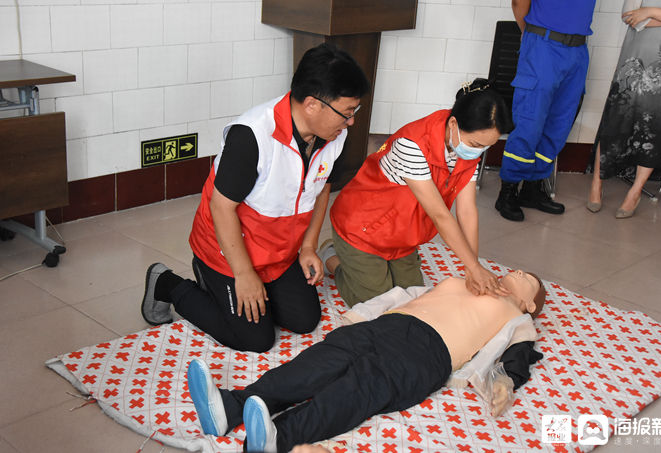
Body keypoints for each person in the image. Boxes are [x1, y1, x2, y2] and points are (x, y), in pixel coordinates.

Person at [139, 43, 369, 352]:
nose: (351, 121)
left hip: (278, 251)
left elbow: (323, 185)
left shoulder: (334, 135)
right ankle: (169, 283)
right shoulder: (252, 135)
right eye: (347, 112)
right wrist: (244, 275)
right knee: (256, 339)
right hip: (227, 252)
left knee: (304, 320)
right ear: (313, 104)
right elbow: (220, 208)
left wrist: (309, 246)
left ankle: (241, 293)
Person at [186, 269, 546, 452]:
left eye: (526, 279)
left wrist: (505, 381)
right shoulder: (467, 279)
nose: (515, 273)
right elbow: (403, 295)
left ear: (529, 303)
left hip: (428, 354)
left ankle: (279, 437)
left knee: (359, 388)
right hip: (387, 325)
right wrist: (360, 316)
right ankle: (231, 406)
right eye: (516, 269)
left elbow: (519, 354)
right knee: (318, 363)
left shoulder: (517, 317)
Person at [323, 79, 513, 307]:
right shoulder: (412, 144)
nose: (478, 152)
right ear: (453, 124)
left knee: (414, 299)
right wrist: (473, 267)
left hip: (402, 235)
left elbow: (467, 210)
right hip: (362, 228)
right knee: (380, 304)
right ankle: (332, 258)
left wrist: (472, 266)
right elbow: (441, 215)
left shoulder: (468, 144)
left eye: (486, 146)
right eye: (475, 144)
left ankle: (363, 264)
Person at [587, 1, 661, 219]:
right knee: (617, 115)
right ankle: (596, 183)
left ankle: (635, 191)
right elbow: (629, 15)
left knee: (657, 124)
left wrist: (649, 12)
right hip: (639, 52)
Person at [495, 0, 597, 222]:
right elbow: (518, 3)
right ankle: (508, 191)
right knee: (528, 122)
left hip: (578, 50)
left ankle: (533, 187)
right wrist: (530, 33)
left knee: (558, 124)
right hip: (543, 45)